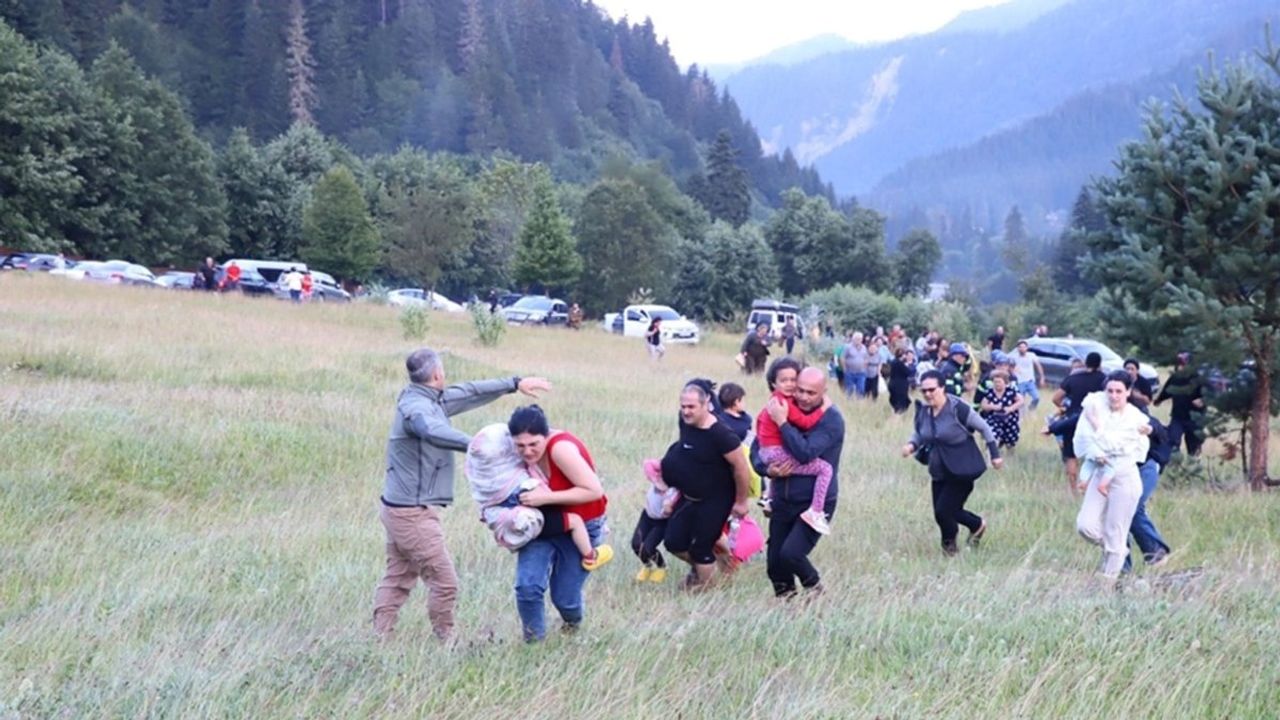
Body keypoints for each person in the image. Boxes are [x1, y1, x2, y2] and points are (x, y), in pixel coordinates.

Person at [372, 348, 550, 641]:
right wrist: (476, 445)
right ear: (438, 374)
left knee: (399, 576)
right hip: (411, 512)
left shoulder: (429, 398)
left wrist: (514, 383)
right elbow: (428, 429)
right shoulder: (416, 409)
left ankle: (379, 639)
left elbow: (468, 392)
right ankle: (446, 641)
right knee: (445, 582)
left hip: (401, 509)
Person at [509, 405, 610, 641]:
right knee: (528, 588)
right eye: (520, 446)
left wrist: (546, 498)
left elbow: (594, 490)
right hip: (546, 522)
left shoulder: (561, 449)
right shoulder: (512, 451)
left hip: (583, 525)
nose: (527, 451)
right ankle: (534, 646)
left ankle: (572, 625)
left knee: (565, 598)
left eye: (533, 444)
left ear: (545, 435)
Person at [464, 424, 613, 570]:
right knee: (575, 521)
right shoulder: (526, 481)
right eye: (521, 445)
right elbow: (547, 491)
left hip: (519, 524)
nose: (527, 451)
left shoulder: (487, 481)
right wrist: (544, 496)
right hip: (542, 517)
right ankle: (590, 556)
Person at [755, 367, 846, 598]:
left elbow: (806, 453)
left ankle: (818, 594)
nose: (804, 397)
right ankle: (788, 613)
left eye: (811, 393)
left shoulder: (832, 419)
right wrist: (768, 469)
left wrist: (783, 423)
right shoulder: (784, 406)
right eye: (800, 391)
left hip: (814, 501)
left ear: (824, 392)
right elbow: (758, 448)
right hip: (783, 500)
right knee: (775, 565)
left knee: (791, 554)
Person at [660, 382, 752, 589]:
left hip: (716, 501)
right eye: (683, 406)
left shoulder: (722, 435)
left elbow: (741, 468)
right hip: (689, 496)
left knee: (701, 549)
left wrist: (741, 502)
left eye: (691, 407)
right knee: (673, 542)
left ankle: (704, 589)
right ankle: (714, 563)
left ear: (706, 404)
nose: (686, 411)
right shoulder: (685, 423)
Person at [902, 370, 1003, 555]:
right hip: (938, 469)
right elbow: (919, 432)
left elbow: (985, 428)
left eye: (931, 390)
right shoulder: (924, 411)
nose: (927, 394)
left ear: (942, 388)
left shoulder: (958, 409)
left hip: (962, 468)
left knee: (944, 511)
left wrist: (995, 455)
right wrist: (911, 445)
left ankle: (949, 550)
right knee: (943, 513)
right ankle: (976, 525)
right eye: (923, 391)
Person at [1074, 372, 1151, 580]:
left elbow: (1115, 445)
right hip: (1100, 474)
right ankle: (1116, 549)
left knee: (1115, 529)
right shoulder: (1095, 405)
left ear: (1127, 392)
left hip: (1124, 477)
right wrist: (1096, 452)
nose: (1114, 396)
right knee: (1085, 525)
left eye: (1119, 391)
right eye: (1110, 391)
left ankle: (1107, 583)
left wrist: (1098, 426)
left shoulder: (1135, 418)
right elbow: (1082, 439)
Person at [756, 366, 834, 535]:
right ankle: (816, 511)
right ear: (773, 384)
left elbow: (759, 425)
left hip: (767, 451)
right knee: (825, 469)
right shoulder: (783, 405)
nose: (790, 385)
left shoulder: (774, 402)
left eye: (793, 381)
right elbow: (805, 424)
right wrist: (822, 409)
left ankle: (768, 498)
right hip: (774, 454)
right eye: (784, 381)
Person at [1052, 351, 1107, 493]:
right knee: (1098, 455)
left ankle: (1073, 490)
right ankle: (1092, 487)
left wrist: (1064, 408)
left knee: (1070, 455)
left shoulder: (1073, 378)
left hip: (1072, 420)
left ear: (1086, 363)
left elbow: (1056, 398)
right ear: (1100, 364)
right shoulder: (1105, 380)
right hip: (1096, 421)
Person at [631, 459, 679, 582]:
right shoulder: (657, 475)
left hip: (662, 522)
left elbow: (670, 508)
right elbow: (647, 463)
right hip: (647, 515)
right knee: (636, 544)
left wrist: (668, 505)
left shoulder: (675, 488)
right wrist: (657, 480)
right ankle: (647, 566)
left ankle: (661, 567)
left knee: (648, 547)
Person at [1154, 351, 1205, 456]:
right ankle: (1174, 461)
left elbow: (1209, 393)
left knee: (1193, 444)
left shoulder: (1199, 378)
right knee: (1172, 439)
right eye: (1179, 364)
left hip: (1194, 418)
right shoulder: (1175, 377)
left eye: (1183, 364)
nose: (1180, 367)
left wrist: (1202, 401)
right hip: (1178, 416)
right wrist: (1159, 400)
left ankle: (1193, 463)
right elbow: (1167, 390)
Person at [979, 370, 1023, 450]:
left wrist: (1010, 408)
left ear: (1005, 382)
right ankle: (991, 453)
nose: (997, 384)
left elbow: (1021, 401)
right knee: (992, 435)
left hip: (1010, 420)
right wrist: (993, 407)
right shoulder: (990, 392)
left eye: (999, 382)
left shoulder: (1011, 391)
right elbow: (983, 405)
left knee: (1011, 440)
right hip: (994, 419)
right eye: (995, 382)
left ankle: (1009, 454)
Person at [1011, 340, 1045, 410]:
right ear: (1017, 348)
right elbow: (1009, 366)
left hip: (1030, 381)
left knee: (1036, 397)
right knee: (1021, 401)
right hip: (1020, 381)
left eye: (1024, 347)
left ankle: (1031, 409)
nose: (1022, 349)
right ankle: (1022, 415)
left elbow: (1038, 366)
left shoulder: (1031, 355)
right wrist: (1013, 373)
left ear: (1027, 348)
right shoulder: (1014, 357)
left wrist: (1042, 377)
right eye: (1020, 347)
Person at [887, 348, 917, 414]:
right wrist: (907, 366)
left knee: (895, 401)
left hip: (892, 383)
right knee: (901, 403)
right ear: (903, 355)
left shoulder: (893, 362)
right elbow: (908, 372)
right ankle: (898, 416)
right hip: (900, 386)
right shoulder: (900, 363)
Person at [841, 332, 869, 398]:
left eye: (860, 339)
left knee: (861, 388)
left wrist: (865, 365)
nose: (858, 340)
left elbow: (866, 357)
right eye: (857, 339)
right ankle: (848, 403)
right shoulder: (848, 347)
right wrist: (844, 368)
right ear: (853, 339)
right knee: (849, 389)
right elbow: (842, 358)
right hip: (850, 372)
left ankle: (859, 404)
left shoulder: (864, 347)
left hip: (861, 372)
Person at [865, 336, 886, 401]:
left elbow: (880, 364)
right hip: (866, 374)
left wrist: (878, 371)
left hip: (875, 374)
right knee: (866, 388)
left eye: (874, 348)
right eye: (871, 348)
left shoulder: (879, 355)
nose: (873, 349)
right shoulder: (865, 355)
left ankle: (874, 400)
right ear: (868, 348)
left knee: (874, 389)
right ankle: (865, 399)